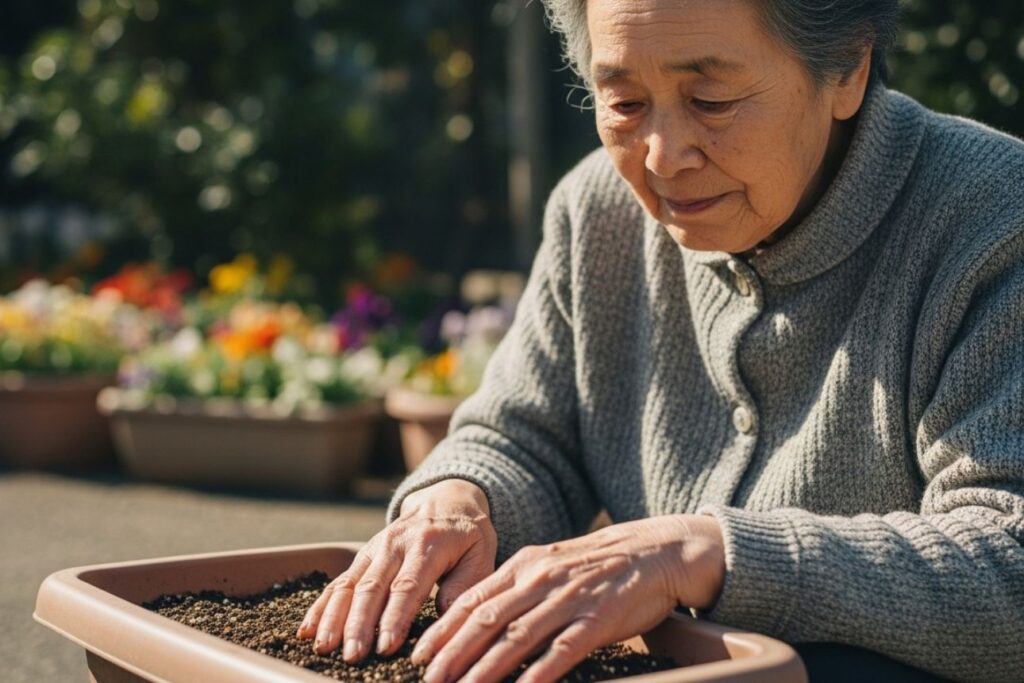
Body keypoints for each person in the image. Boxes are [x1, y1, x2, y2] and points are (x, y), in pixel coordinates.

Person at [299, 0, 1024, 680]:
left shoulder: (995, 220)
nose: (662, 156)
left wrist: (701, 554)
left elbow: (1008, 561)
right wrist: (460, 499)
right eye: (624, 103)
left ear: (847, 70)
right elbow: (526, 439)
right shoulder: (598, 211)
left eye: (711, 100)